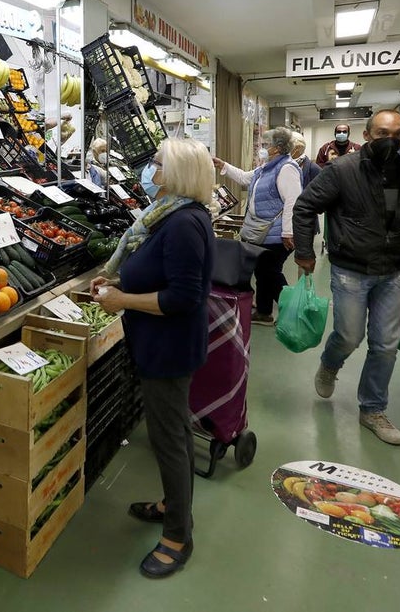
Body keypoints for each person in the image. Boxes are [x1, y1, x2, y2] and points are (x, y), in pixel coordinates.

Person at [90, 138, 215, 579]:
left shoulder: (183, 224)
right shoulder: (166, 217)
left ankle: (179, 535)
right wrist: (117, 278)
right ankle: (172, 506)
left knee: (170, 440)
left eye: (158, 164)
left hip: (169, 345)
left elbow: (183, 296)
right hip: (163, 342)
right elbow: (157, 269)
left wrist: (122, 298)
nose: (151, 170)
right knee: (175, 431)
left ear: (178, 173)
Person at [293, 109, 400, 446]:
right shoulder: (342, 171)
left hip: (392, 270)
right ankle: (330, 364)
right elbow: (304, 207)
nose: (391, 140)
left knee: (386, 344)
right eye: (383, 132)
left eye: (398, 134)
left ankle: (372, 409)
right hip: (350, 268)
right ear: (368, 135)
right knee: (349, 336)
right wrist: (305, 252)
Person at [213, 128, 302, 325]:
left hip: (276, 234)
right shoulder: (266, 167)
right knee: (262, 272)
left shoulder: (286, 168)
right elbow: (246, 178)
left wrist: (288, 232)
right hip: (263, 231)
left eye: (265, 145)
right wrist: (224, 165)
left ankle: (292, 312)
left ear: (277, 148)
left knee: (271, 273)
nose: (261, 148)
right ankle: (263, 312)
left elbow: (293, 202)